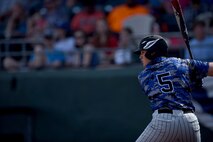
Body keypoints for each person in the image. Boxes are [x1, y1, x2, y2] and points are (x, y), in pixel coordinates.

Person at [134, 35, 213, 142]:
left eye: (143, 52)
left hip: (164, 121)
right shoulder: (183, 63)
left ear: (152, 52)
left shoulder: (144, 76)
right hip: (189, 121)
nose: (140, 56)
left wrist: (192, 79)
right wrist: (195, 78)